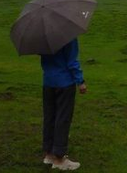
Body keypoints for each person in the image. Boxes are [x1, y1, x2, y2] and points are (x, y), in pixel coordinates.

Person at [41, 38, 87, 170]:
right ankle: (60, 158)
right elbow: (72, 61)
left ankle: (49, 153)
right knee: (63, 118)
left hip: (48, 82)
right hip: (64, 82)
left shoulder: (44, 38)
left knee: (49, 117)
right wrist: (80, 81)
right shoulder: (69, 36)